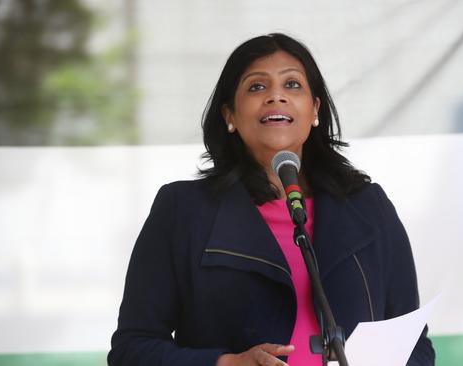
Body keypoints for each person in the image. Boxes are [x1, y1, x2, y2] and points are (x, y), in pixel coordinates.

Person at [108, 33, 435, 366]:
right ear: (229, 116)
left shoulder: (368, 207)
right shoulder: (183, 210)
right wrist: (227, 364)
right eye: (256, 87)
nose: (276, 96)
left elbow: (415, 346)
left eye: (293, 85)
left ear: (315, 110)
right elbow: (131, 351)